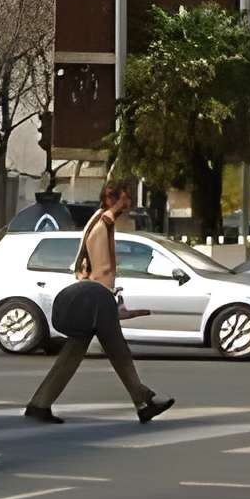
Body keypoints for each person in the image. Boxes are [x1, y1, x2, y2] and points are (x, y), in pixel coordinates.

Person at [24, 180, 172, 426]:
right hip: (96, 300)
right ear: (116, 200)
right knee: (118, 351)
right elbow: (102, 271)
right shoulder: (103, 226)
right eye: (126, 198)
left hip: (94, 300)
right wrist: (109, 307)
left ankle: (40, 404)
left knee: (80, 354)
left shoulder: (100, 221)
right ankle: (143, 400)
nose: (130, 202)